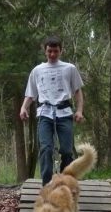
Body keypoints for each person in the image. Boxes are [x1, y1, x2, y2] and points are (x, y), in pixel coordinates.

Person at [19, 35, 85, 186]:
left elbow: (77, 92)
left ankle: (64, 181)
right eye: (50, 51)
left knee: (67, 151)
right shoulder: (37, 70)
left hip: (64, 112)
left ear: (61, 51)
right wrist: (24, 108)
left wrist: (79, 110)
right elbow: (31, 94)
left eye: (55, 51)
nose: (52, 54)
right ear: (45, 51)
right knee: (46, 148)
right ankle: (47, 184)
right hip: (44, 114)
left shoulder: (69, 68)